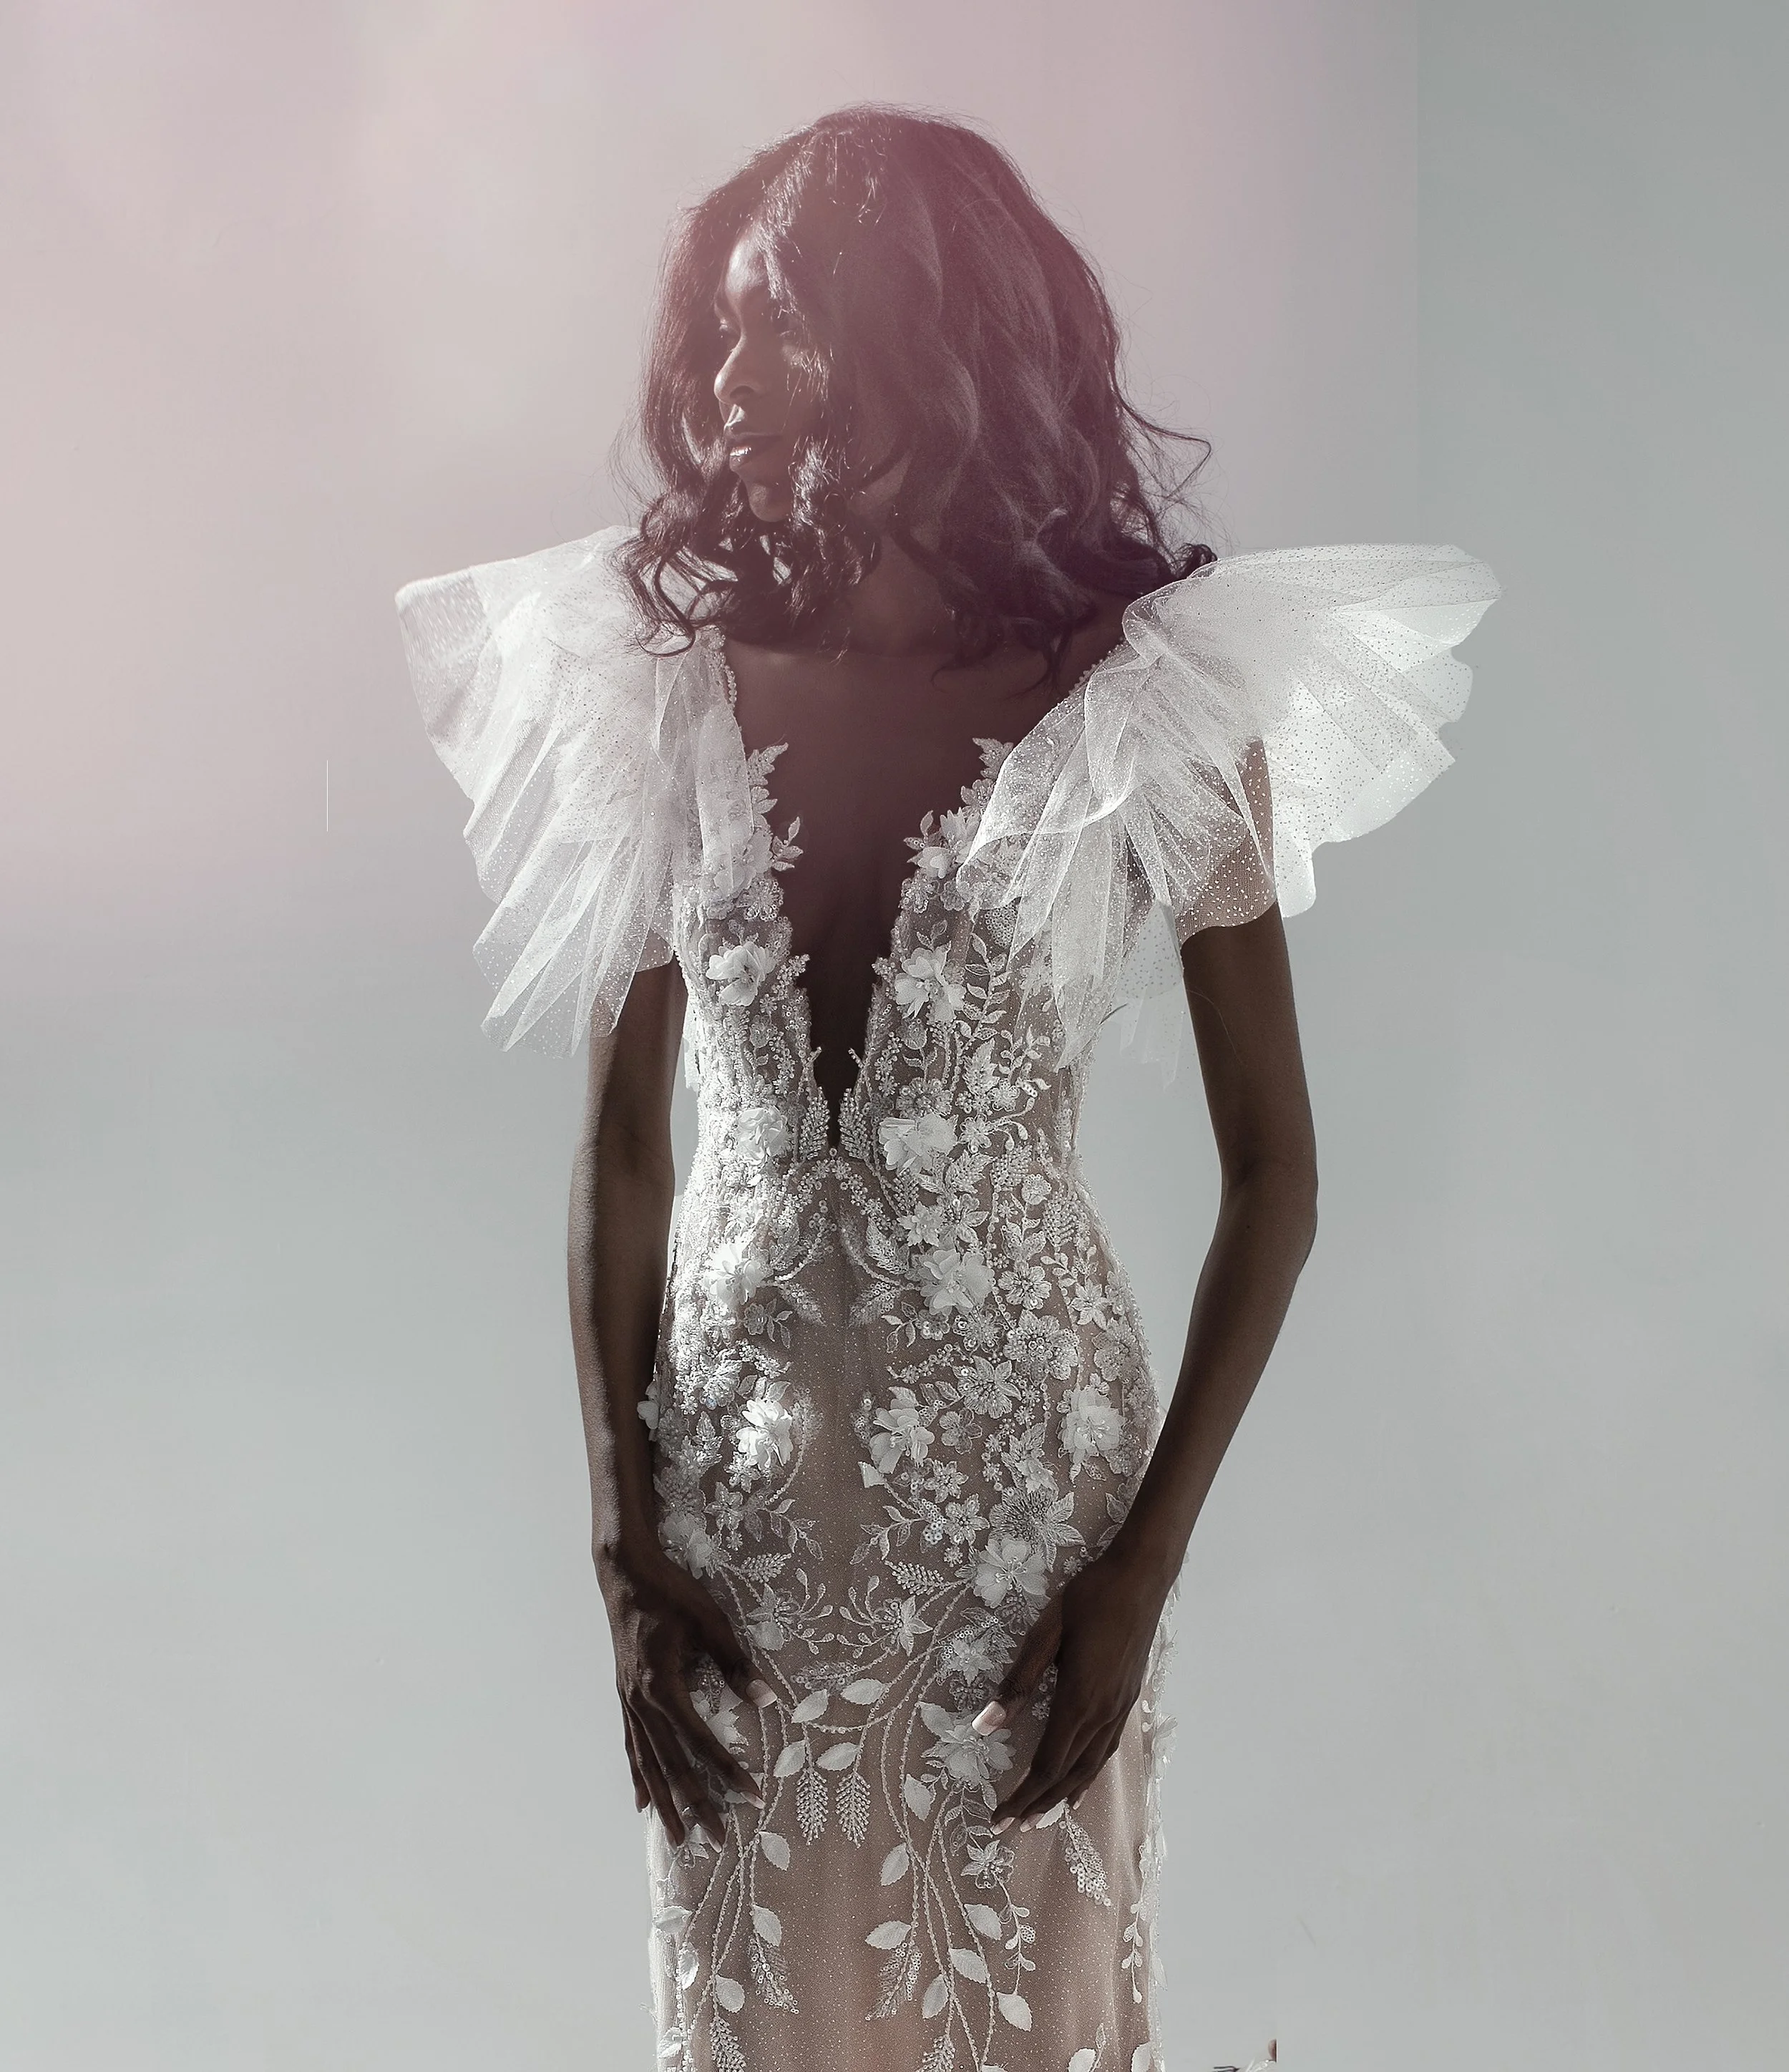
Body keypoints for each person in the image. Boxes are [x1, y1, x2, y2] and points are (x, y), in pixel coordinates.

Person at [398, 104, 1497, 2072]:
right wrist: (621, 1540)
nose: (725, 380)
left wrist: (1136, 1570)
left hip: (1020, 1518)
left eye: (780, 325)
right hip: (729, 1514)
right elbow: (631, 1145)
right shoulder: (667, 687)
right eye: (717, 330)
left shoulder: (1147, 685)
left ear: (921, 337)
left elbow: (1277, 1172)